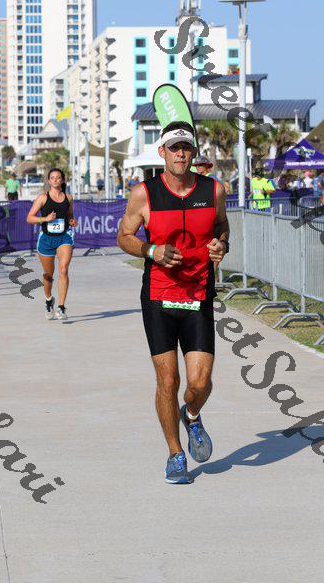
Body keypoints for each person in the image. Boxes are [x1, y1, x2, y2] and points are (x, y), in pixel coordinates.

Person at [117, 121, 229, 484]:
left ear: (193, 153)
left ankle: (191, 414)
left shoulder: (213, 190)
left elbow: (222, 226)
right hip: (159, 296)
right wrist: (151, 250)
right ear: (162, 152)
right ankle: (175, 454)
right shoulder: (144, 194)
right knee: (168, 380)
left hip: (198, 295)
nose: (181, 154)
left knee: (200, 382)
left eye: (186, 148)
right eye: (174, 148)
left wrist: (222, 244)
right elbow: (124, 235)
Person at [27, 168, 77, 320]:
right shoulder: (42, 198)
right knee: (48, 275)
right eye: (52, 177)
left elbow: (70, 215)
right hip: (46, 239)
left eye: (58, 177)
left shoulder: (68, 198)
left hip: (64, 237)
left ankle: (61, 307)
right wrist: (45, 219)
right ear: (49, 181)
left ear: (62, 180)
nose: (55, 179)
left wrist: (72, 221)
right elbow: (29, 218)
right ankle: (49, 300)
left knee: (63, 270)